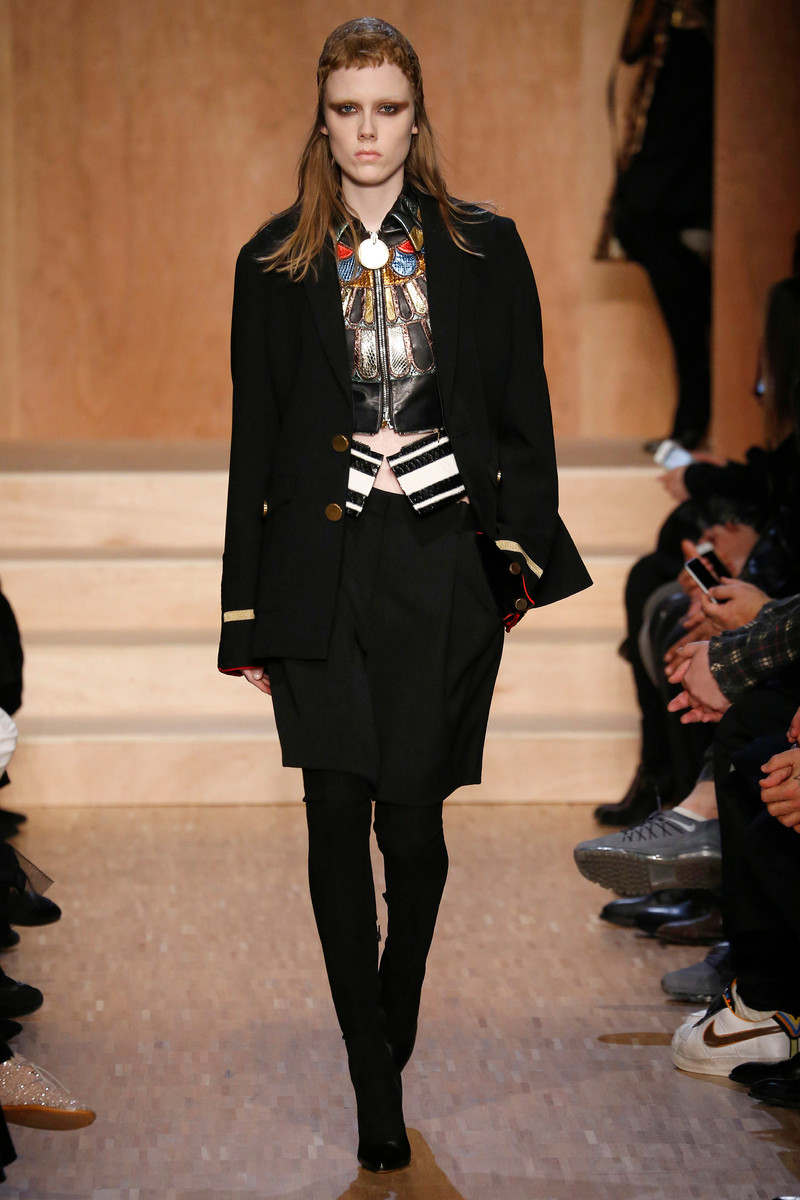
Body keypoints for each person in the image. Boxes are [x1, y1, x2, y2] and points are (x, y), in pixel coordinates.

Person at [218, 17, 590, 1174]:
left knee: (413, 832)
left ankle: (398, 992)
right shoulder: (272, 260)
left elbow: (523, 419)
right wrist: (242, 611)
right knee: (334, 816)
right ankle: (372, 1079)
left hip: (437, 565)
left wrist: (511, 560)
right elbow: (253, 441)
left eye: (385, 108)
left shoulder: (483, 247)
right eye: (347, 110)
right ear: (321, 120)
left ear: (415, 117)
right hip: (317, 571)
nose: (367, 130)